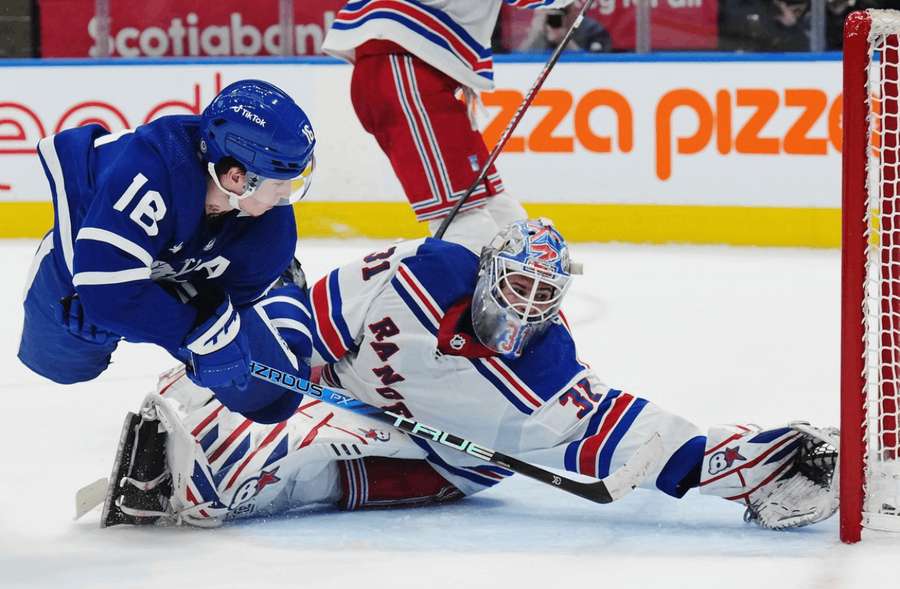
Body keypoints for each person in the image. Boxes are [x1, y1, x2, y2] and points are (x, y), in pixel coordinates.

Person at [97, 219, 839, 531]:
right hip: (349, 387)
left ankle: (198, 491)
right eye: (518, 288)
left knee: (311, 466)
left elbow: (653, 447)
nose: (527, 309)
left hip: (446, 458)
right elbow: (309, 320)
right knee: (254, 386)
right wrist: (278, 361)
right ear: (487, 276)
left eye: (544, 298)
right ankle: (181, 452)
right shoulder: (417, 273)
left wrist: (756, 460)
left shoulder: (545, 381)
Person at [18, 79, 317, 398]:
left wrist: (212, 333)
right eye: (280, 183)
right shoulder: (153, 171)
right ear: (236, 178)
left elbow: (236, 304)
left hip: (192, 267)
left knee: (270, 397)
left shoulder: (270, 223)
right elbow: (106, 292)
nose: (286, 194)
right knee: (64, 363)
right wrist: (185, 331)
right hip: (88, 260)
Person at [320, 0, 583, 252]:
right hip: (403, 67)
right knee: (465, 222)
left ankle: (516, 293)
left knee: (498, 208)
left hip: (412, 67)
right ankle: (468, 297)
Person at [522, 5, 612, 53]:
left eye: (563, 11)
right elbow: (520, 59)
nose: (556, 17)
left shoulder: (591, 29)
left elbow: (597, 65)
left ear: (573, 9)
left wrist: (564, 41)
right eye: (551, 10)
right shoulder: (541, 26)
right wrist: (535, 33)